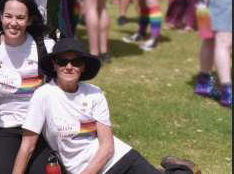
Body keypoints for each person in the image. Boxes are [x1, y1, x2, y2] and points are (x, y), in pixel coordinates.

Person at [12, 38, 201, 174]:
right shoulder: (43, 95)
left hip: (121, 158)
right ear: (54, 64)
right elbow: (27, 145)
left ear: (83, 66)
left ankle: (182, 167)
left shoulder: (94, 93)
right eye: (62, 61)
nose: (69, 67)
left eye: (76, 61)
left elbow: (108, 146)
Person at [0, 0, 54, 174]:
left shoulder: (46, 47)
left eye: (21, 18)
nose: (13, 23)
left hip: (38, 127)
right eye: (8, 16)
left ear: (29, 21)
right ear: (1, 16)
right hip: (3, 127)